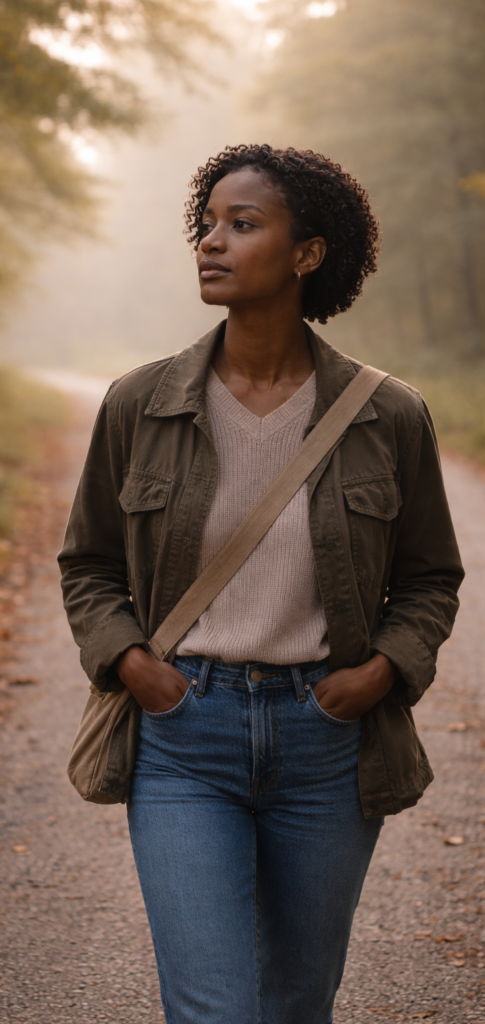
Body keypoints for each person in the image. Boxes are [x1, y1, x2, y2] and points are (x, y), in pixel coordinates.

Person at [58, 144, 463, 1024]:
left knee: (293, 1005)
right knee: (212, 1010)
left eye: (241, 225)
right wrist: (132, 665)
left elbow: (430, 579)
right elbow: (87, 564)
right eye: (206, 225)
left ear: (307, 253)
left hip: (326, 741)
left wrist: (380, 673)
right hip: (181, 739)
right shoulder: (140, 403)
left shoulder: (385, 413)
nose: (211, 242)